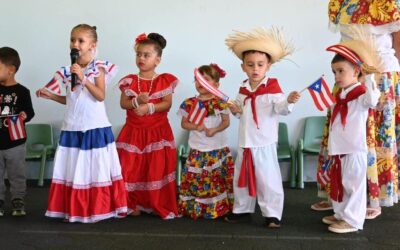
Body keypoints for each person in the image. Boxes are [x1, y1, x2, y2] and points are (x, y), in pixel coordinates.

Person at [313, 0, 400, 217]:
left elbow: (397, 44)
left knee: (375, 136)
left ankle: (373, 197)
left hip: (379, 74)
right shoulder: (339, 4)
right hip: (348, 73)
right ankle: (336, 194)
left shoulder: (387, 3)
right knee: (340, 130)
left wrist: (382, 77)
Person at [36, 24, 127, 223]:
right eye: (72, 40)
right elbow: (71, 100)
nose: (75, 44)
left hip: (93, 127)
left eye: (80, 41)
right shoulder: (67, 71)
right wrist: (51, 95)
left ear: (92, 45)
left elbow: (100, 96)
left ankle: (98, 208)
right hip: (72, 127)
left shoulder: (98, 68)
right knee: (74, 170)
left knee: (94, 169)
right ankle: (75, 209)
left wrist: (84, 78)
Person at [224, 27, 300, 228]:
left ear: (268, 66)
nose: (255, 69)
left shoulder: (273, 88)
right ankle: (242, 210)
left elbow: (282, 109)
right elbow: (241, 113)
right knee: (241, 178)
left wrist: (290, 101)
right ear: (243, 67)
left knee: (268, 180)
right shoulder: (243, 89)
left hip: (264, 143)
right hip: (245, 142)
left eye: (260, 65)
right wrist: (234, 109)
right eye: (250, 65)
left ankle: (272, 214)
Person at [322, 35, 381, 233]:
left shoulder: (361, 94)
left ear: (356, 71)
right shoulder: (341, 95)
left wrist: (371, 76)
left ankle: (354, 220)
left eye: (341, 71)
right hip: (340, 148)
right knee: (340, 182)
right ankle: (341, 214)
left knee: (354, 186)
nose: (337, 76)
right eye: (334, 72)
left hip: (354, 149)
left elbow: (373, 100)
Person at [116, 32, 179, 219]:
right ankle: (130, 202)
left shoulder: (164, 80)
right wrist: (136, 102)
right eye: (138, 54)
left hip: (157, 132)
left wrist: (149, 107)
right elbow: (123, 104)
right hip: (133, 132)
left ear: (157, 60)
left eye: (146, 55)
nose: (141, 58)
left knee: (155, 168)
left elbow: (167, 103)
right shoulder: (130, 80)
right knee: (129, 168)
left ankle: (154, 202)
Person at [177, 64, 234, 219]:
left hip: (217, 148)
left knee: (217, 178)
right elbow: (184, 123)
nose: (199, 83)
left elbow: (226, 122)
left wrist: (214, 130)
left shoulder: (221, 101)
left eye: (205, 80)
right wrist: (196, 126)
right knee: (197, 179)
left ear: (216, 84)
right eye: (197, 80)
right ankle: (196, 207)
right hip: (198, 149)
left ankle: (218, 207)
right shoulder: (190, 103)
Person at [0, 47, 34, 217]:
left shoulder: (22, 92)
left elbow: (30, 112)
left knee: (17, 173)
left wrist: (24, 115)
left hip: (15, 142)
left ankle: (17, 200)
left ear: (11, 69)